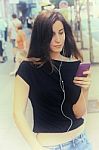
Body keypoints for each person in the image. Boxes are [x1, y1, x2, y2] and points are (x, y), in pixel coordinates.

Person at [13, 10, 92, 150]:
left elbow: (79, 113)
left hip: (81, 142)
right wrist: (36, 147)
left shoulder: (74, 65)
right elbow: (18, 113)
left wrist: (85, 89)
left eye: (61, 32)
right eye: (51, 34)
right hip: (51, 146)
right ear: (41, 36)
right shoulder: (28, 69)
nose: (58, 39)